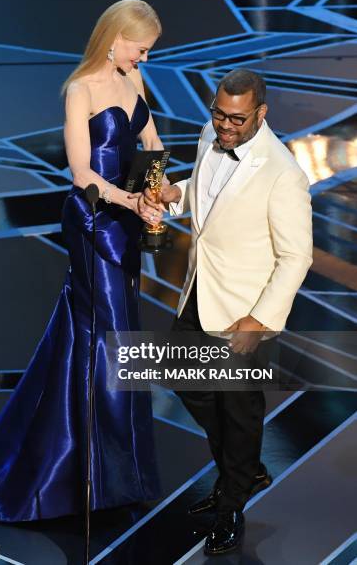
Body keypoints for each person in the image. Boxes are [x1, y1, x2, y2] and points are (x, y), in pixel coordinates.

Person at [0, 0, 165, 522]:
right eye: (142, 49)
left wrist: (160, 191)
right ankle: (95, 474)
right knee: (111, 336)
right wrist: (130, 200)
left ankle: (108, 468)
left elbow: (151, 147)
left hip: (128, 224)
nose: (146, 60)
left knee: (106, 334)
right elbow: (81, 173)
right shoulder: (80, 90)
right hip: (92, 222)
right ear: (115, 37)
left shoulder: (135, 83)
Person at [140, 69, 313, 555]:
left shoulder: (283, 174)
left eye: (236, 119)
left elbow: (296, 256)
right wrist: (176, 195)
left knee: (239, 411)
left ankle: (232, 503)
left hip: (243, 310)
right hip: (199, 291)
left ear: (262, 113)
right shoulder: (208, 137)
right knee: (187, 382)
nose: (225, 127)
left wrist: (260, 321)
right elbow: (209, 191)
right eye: (218, 114)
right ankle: (246, 467)